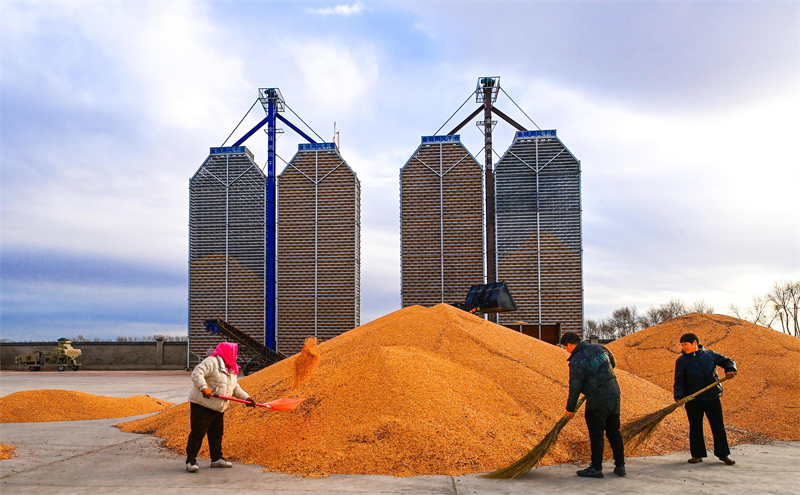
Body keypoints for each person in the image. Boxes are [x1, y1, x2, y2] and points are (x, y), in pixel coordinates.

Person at [561, 331, 625, 478]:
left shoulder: (577, 360)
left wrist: (570, 409)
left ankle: (596, 468)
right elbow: (612, 363)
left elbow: (575, 387)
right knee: (614, 431)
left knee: (597, 435)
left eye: (565, 347)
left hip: (597, 400)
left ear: (570, 345)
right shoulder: (600, 348)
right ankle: (620, 466)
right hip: (614, 394)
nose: (566, 350)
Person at [185, 341, 256, 473]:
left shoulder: (232, 368)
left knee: (216, 434)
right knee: (198, 433)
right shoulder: (211, 362)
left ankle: (216, 458)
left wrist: (246, 398)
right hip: (202, 404)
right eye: (234, 352)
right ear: (227, 352)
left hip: (219, 407)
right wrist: (203, 388)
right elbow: (197, 373)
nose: (236, 355)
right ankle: (191, 460)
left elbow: (234, 387)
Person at [673, 333, 737, 466]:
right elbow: (679, 380)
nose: (683, 347)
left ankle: (723, 454)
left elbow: (728, 361)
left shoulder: (710, 355)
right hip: (693, 399)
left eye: (686, 344)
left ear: (694, 342)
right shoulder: (682, 361)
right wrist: (678, 396)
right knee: (695, 427)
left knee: (718, 426)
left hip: (712, 396)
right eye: (682, 345)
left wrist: (730, 369)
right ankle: (697, 455)